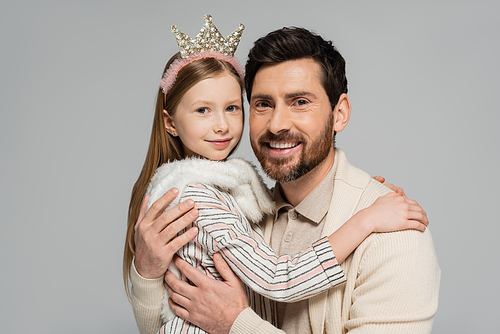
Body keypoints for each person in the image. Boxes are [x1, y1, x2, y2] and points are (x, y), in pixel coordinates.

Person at [124, 17, 431, 334]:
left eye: (300, 102)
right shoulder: (244, 213)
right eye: (263, 104)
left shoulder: (393, 233)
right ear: (171, 122)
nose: (276, 124)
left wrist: (235, 323)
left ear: (339, 113)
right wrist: (147, 272)